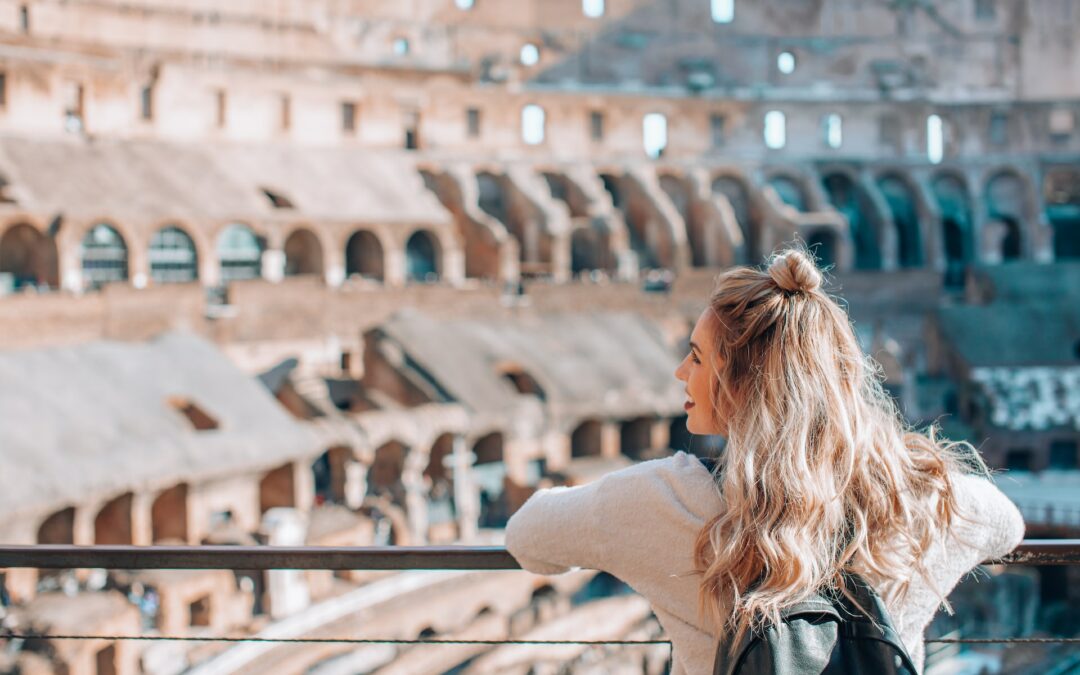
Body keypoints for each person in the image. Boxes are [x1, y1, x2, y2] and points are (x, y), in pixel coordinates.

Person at [505, 245, 1024, 674]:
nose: (681, 372)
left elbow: (527, 537)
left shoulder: (665, 499)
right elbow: (1008, 526)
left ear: (740, 386)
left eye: (699, 357)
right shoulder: (922, 498)